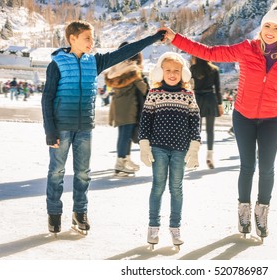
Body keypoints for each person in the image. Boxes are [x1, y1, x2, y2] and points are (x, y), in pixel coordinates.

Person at [160, 1, 277, 239]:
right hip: (243, 116)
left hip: (271, 120)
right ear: (262, 26)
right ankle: (243, 211)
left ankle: (262, 214)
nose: (270, 31)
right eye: (267, 25)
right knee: (247, 167)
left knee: (267, 169)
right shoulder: (247, 48)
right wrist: (176, 39)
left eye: (276, 28)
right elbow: (210, 53)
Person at [41, 20, 165, 235]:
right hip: (61, 127)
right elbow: (47, 98)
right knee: (56, 172)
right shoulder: (57, 64)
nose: (92, 42)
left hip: (84, 128)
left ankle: (80, 212)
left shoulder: (94, 62)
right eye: (87, 38)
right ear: (73, 39)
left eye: (93, 38)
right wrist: (49, 130)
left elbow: (127, 50)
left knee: (82, 174)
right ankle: (54, 213)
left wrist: (154, 38)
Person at [138, 52, 201, 247]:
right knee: (158, 186)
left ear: (183, 73)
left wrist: (194, 146)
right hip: (158, 148)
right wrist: (144, 145)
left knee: (176, 189)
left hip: (180, 149)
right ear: (160, 72)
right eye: (168, 70)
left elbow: (195, 121)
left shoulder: (188, 95)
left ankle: (175, 228)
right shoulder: (154, 94)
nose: (172, 74)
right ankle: (153, 226)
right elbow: (145, 119)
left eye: (176, 70)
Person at [105, 43, 147, 175]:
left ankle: (126, 159)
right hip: (129, 109)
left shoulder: (115, 70)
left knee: (124, 135)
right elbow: (144, 89)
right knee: (124, 136)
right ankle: (120, 163)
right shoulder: (132, 71)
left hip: (118, 108)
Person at [190, 57, 223, 169]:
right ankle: (209, 155)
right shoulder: (214, 69)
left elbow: (189, 86)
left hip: (197, 99)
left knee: (196, 129)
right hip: (210, 99)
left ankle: (194, 157)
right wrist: (220, 104)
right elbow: (218, 89)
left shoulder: (193, 69)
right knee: (210, 130)